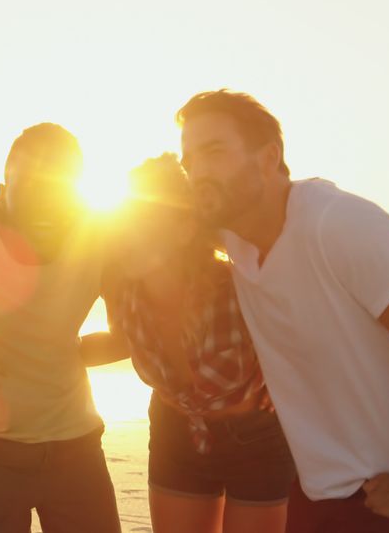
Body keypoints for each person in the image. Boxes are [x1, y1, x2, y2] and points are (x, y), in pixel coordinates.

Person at [176, 89, 389, 532]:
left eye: (214, 152)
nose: (198, 172)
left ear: (267, 157)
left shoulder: (339, 224)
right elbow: (155, 210)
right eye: (190, 163)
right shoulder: (236, 237)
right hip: (318, 495)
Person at [0, 123, 125, 533]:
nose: (46, 204)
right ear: (4, 190)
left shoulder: (99, 237)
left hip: (75, 444)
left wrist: (67, 349)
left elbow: (129, 331)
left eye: (59, 191)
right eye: (32, 188)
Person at [94, 153, 295, 533]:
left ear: (186, 228)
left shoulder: (238, 288)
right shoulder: (122, 289)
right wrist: (37, 356)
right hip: (176, 433)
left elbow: (301, 340)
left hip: (258, 439)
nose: (128, 237)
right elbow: (118, 343)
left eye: (145, 223)